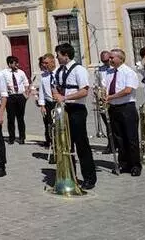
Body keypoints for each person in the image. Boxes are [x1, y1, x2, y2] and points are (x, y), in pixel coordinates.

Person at [52, 43, 97, 190]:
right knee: (65, 144)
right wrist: (56, 94)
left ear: (66, 55)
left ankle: (89, 177)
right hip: (64, 109)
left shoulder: (79, 70)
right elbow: (55, 87)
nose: (57, 58)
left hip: (77, 109)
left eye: (58, 55)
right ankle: (70, 175)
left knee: (81, 144)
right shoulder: (59, 71)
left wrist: (65, 98)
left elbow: (84, 91)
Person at [104, 48, 142, 176]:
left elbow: (127, 90)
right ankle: (124, 163)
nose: (109, 60)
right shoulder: (109, 73)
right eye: (109, 58)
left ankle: (135, 165)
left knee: (131, 138)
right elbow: (105, 88)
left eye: (112, 58)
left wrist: (110, 97)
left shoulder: (128, 72)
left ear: (120, 58)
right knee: (119, 138)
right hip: (114, 108)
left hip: (127, 107)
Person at [3, 56, 28, 144]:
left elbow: (26, 84)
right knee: (11, 118)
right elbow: (1, 84)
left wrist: (26, 95)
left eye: (17, 63)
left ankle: (22, 137)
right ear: (9, 64)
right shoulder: (4, 73)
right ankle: (11, 137)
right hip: (10, 97)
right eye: (15, 63)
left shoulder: (21, 72)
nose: (17, 64)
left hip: (20, 96)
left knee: (20, 118)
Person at [35, 54, 56, 150]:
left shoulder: (59, 73)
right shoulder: (44, 76)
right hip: (48, 103)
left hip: (58, 102)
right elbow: (42, 91)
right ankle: (50, 141)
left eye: (46, 63)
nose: (44, 65)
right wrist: (42, 105)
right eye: (43, 63)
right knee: (48, 123)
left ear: (53, 62)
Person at [96, 50, 114, 153]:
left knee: (115, 123)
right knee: (107, 123)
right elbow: (97, 83)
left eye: (107, 60)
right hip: (103, 99)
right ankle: (110, 144)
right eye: (103, 61)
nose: (106, 63)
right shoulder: (100, 70)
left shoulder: (114, 69)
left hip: (113, 98)